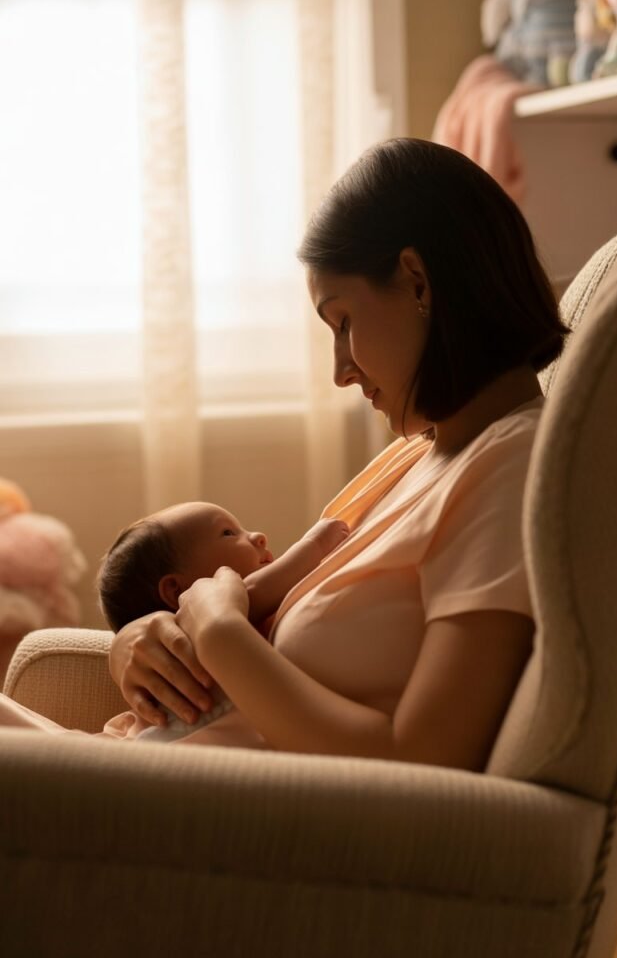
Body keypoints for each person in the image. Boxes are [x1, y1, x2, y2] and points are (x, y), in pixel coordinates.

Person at [1, 139, 568, 767]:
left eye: (343, 322)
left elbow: (428, 757)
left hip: (257, 811)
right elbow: (263, 611)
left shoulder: (509, 465)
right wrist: (140, 640)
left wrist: (219, 632)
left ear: (417, 282)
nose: (340, 372)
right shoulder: (419, 456)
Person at [96, 503, 348, 741]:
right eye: (228, 533)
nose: (258, 536)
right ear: (175, 590)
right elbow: (256, 588)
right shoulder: (197, 622)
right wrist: (314, 544)